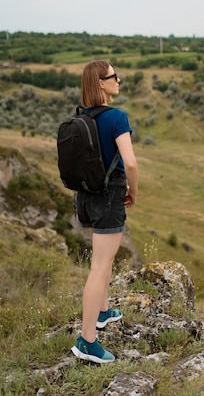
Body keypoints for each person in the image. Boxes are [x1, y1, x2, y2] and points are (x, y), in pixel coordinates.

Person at [71, 60, 138, 364]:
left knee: (105, 258)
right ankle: (87, 342)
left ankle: (102, 311)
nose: (119, 79)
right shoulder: (117, 118)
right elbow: (131, 163)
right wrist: (132, 191)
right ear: (101, 83)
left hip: (85, 197)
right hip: (110, 196)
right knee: (99, 266)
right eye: (114, 76)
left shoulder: (82, 117)